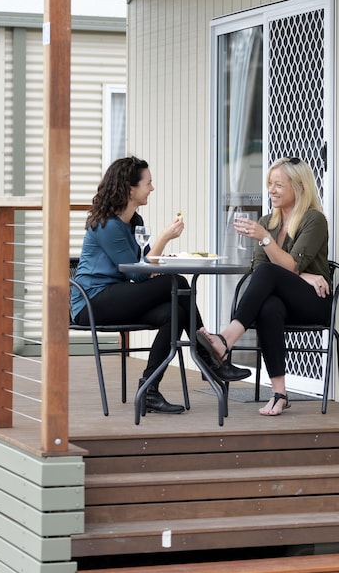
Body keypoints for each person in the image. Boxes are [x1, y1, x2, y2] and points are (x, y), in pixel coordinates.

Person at [70, 156, 245, 415]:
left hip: (117, 297)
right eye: (148, 183)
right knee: (178, 282)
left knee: (175, 313)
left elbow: (146, 265)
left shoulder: (135, 222)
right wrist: (164, 238)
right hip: (93, 302)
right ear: (130, 189)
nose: (152, 188)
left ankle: (149, 389)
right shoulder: (106, 225)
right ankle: (211, 356)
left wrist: (159, 259)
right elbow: (140, 273)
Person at [198, 156, 333, 416]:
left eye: (279, 185)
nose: (271, 190)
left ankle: (225, 340)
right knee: (269, 306)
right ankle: (280, 394)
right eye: (270, 183)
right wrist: (303, 274)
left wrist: (268, 243)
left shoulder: (314, 220)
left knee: (270, 274)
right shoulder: (267, 222)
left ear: (300, 187)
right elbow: (261, 271)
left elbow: (291, 266)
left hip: (314, 302)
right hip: (287, 300)